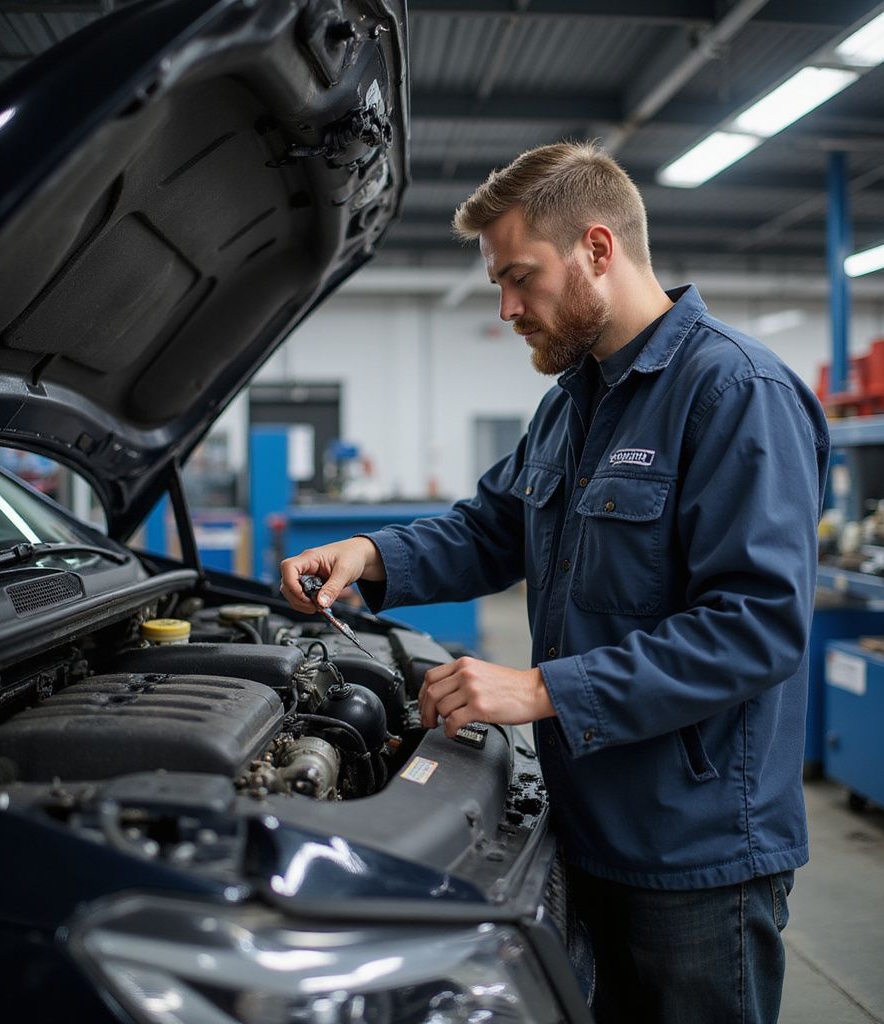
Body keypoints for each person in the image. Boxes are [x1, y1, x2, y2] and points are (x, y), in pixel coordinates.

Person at [280, 141, 829, 1024]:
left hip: (693, 850)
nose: (505, 307)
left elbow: (755, 625)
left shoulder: (735, 391)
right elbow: (493, 528)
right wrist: (370, 556)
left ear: (598, 250)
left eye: (520, 277)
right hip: (587, 820)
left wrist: (541, 689)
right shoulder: (573, 401)